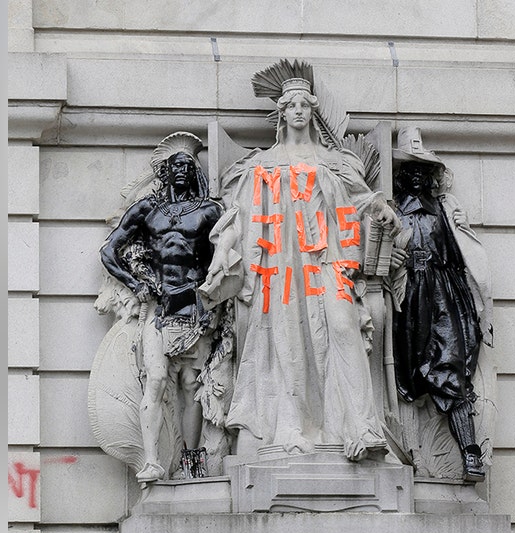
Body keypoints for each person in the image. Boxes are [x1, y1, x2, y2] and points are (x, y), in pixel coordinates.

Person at [201, 58, 404, 461]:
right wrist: (225, 256)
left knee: (345, 329)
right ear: (281, 113)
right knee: (286, 342)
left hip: (327, 262)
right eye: (291, 104)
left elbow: (364, 201)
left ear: (312, 111)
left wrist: (383, 211)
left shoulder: (334, 163)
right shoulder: (261, 164)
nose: (298, 110)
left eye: (304, 104)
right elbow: (235, 213)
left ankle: (359, 426)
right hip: (279, 267)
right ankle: (289, 425)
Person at [97, 132, 229, 481]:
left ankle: (192, 463)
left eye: (188, 164)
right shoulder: (147, 211)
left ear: (195, 171)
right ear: (165, 173)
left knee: (190, 385)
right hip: (158, 306)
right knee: (155, 379)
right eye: (175, 165)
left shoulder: (210, 211)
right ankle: (153, 460)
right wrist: (136, 282)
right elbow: (109, 251)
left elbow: (227, 257)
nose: (182, 169)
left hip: (195, 307)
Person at [388, 127, 494, 481]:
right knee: (413, 369)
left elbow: (464, 253)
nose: (416, 174)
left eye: (422, 169)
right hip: (410, 295)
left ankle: (470, 453)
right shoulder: (390, 209)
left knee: (450, 367)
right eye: (409, 168)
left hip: (445, 292)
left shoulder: (446, 209)